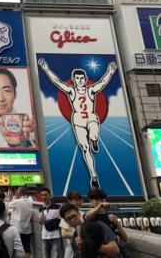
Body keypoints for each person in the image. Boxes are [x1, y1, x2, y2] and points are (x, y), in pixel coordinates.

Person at [38, 59, 118, 187]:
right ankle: (94, 176)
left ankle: (95, 141)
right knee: (85, 149)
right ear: (74, 79)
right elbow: (57, 82)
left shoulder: (90, 90)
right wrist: (46, 69)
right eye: (77, 78)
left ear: (85, 79)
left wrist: (110, 72)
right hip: (78, 120)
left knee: (94, 136)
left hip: (91, 117)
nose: (80, 80)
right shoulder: (72, 91)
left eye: (82, 78)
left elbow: (102, 83)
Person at [8, 187, 33, 258]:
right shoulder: (29, 201)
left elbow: (8, 206)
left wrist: (11, 197)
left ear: (19, 193)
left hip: (18, 229)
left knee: (18, 248)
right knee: (27, 248)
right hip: (27, 228)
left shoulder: (17, 202)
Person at [38, 188, 63, 258]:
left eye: (45, 195)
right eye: (42, 195)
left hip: (56, 236)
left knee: (57, 256)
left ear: (50, 196)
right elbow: (41, 223)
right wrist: (41, 220)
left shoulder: (58, 207)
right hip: (44, 236)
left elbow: (60, 221)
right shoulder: (40, 209)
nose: (44, 197)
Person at [60, 191, 84, 258]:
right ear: (69, 201)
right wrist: (78, 236)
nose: (79, 202)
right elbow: (63, 234)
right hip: (71, 251)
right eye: (76, 200)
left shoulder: (84, 214)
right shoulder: (66, 216)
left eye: (80, 200)